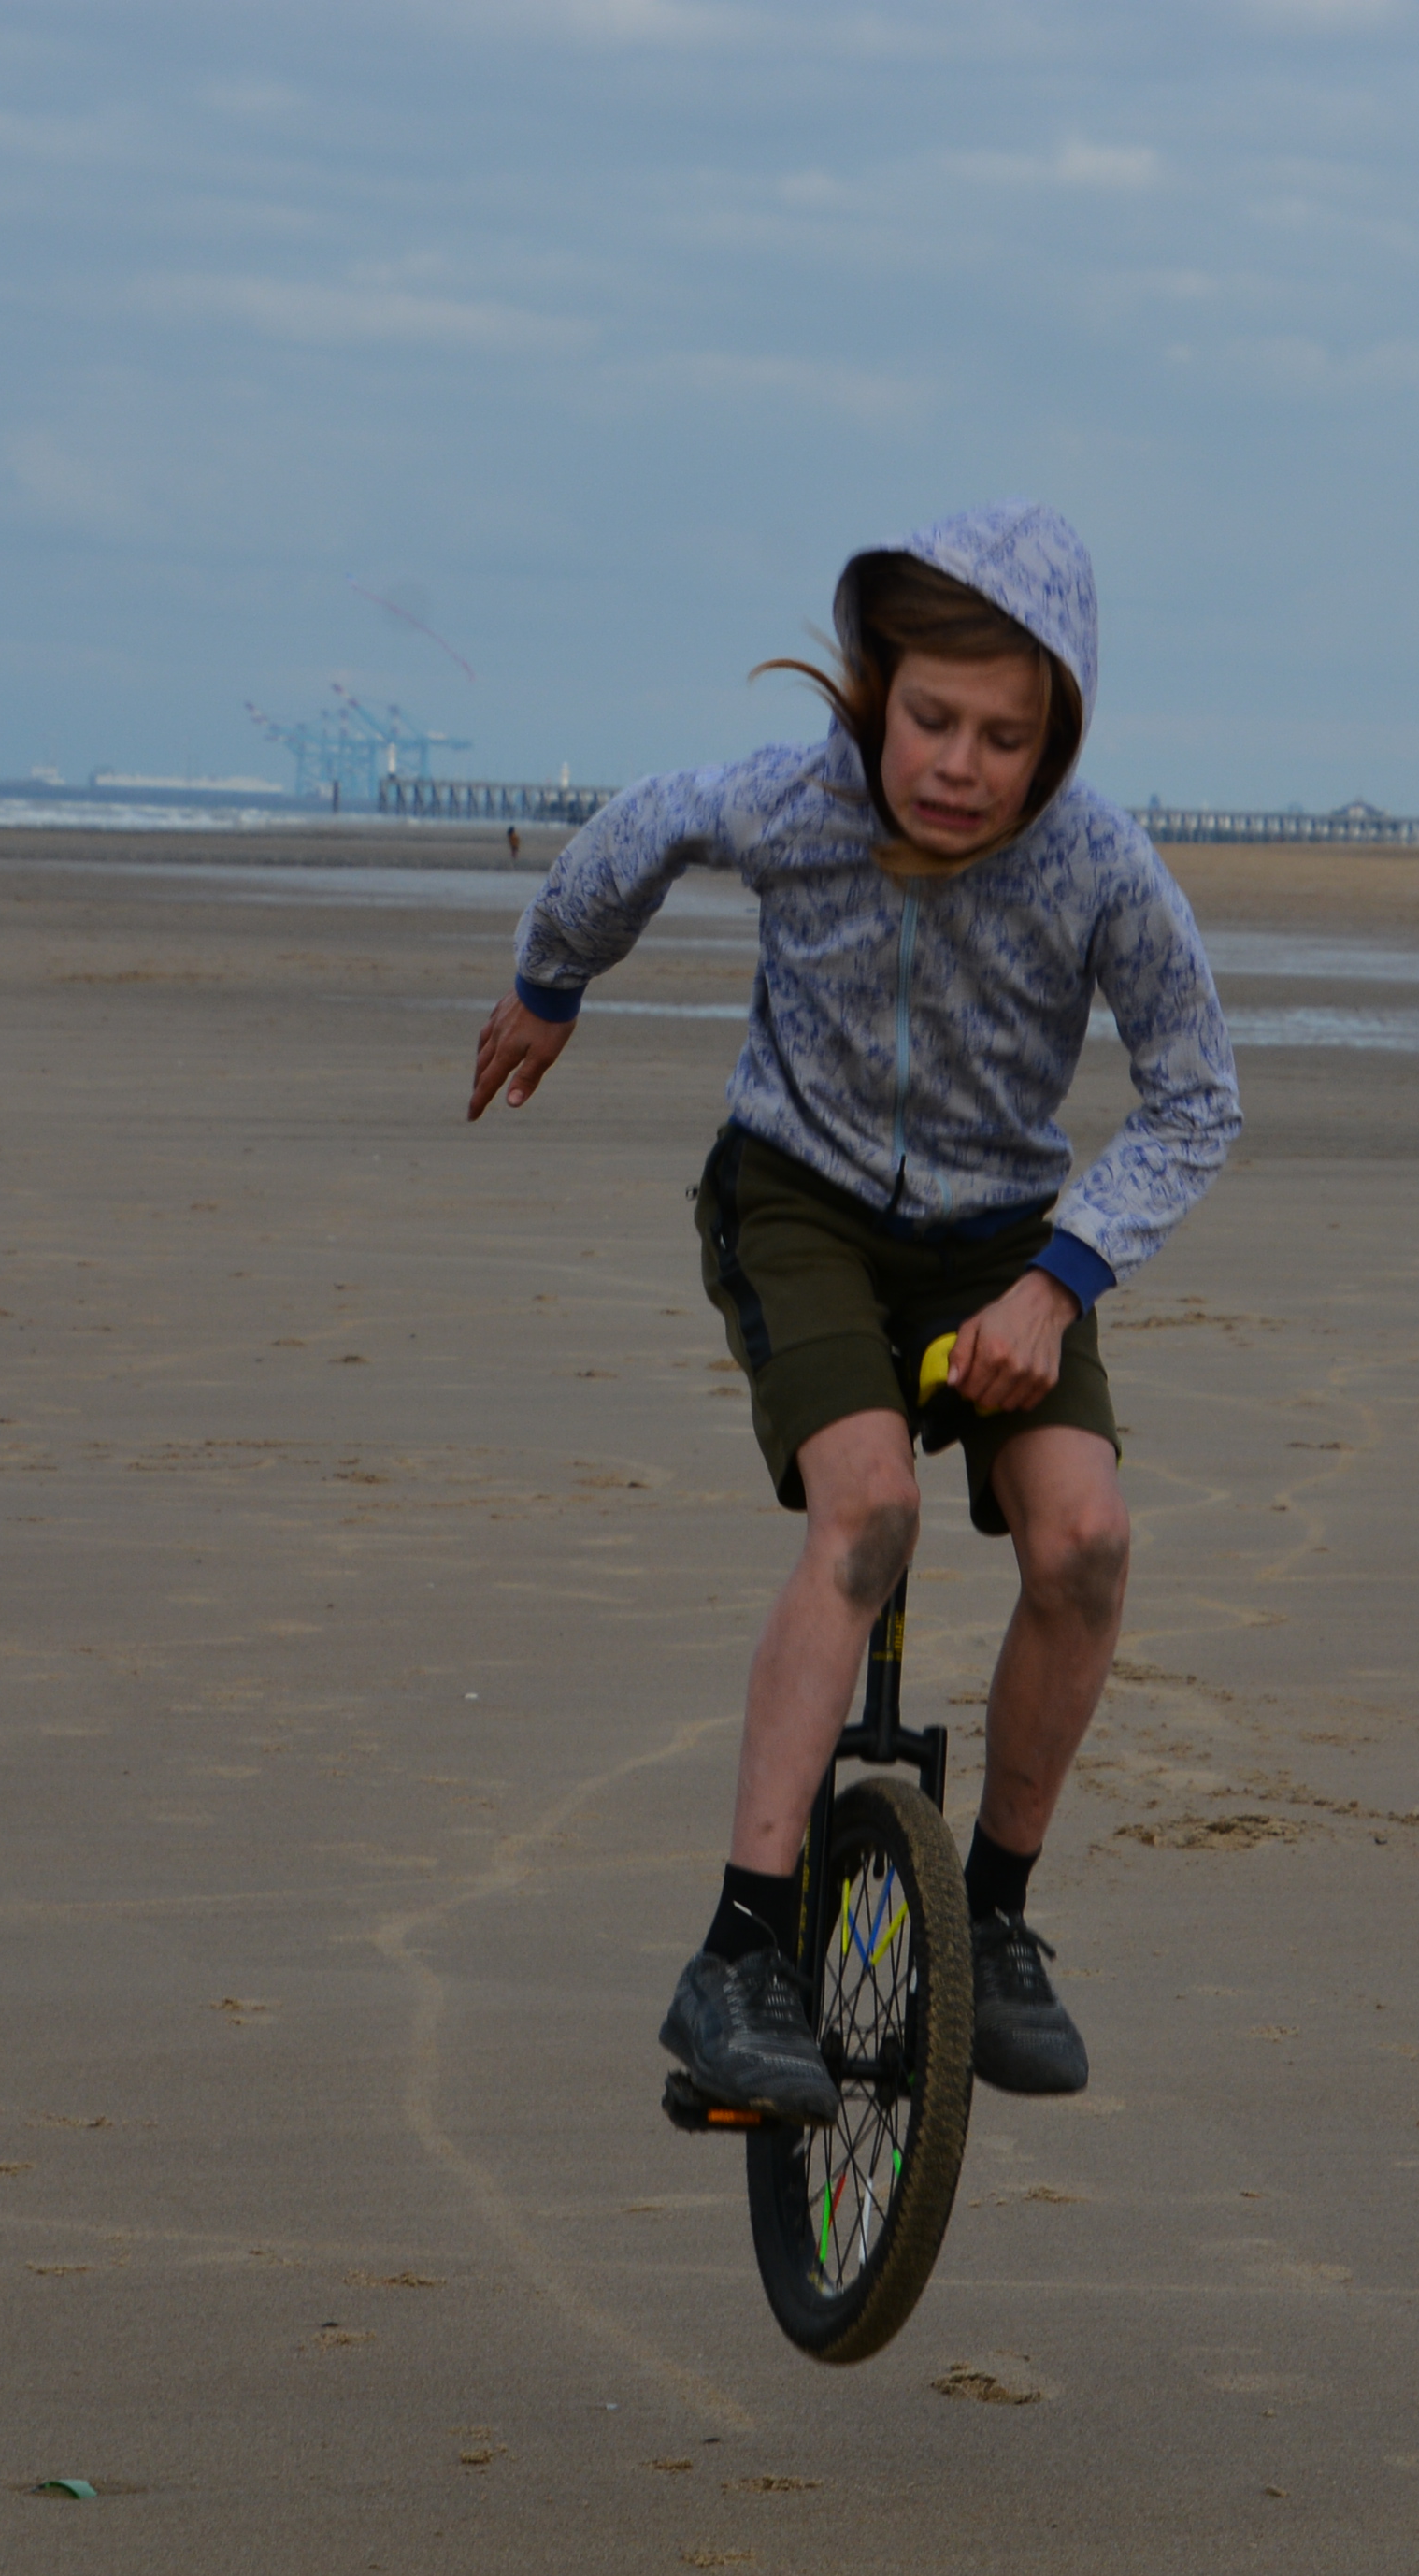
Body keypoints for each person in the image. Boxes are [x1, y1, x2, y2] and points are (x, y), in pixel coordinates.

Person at [464, 502, 1239, 2123]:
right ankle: (740, 1952)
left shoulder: (1097, 864)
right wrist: (551, 979)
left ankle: (997, 1921)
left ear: (1057, 738)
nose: (960, 766)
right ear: (879, 691)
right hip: (800, 1200)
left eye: (1005, 738)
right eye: (932, 721)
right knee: (870, 1507)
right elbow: (637, 832)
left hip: (999, 1243)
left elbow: (1194, 1099)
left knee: (1087, 1542)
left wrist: (1060, 1281)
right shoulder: (794, 800)